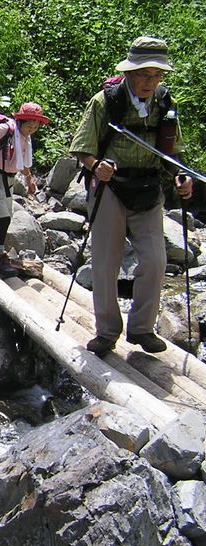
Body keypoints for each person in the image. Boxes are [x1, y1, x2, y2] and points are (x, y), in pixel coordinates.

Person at [69, 36, 193, 357]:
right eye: (143, 74)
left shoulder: (166, 105)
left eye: (156, 75)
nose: (150, 81)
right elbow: (81, 147)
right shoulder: (104, 101)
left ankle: (141, 329)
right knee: (106, 264)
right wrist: (96, 166)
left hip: (149, 188)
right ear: (129, 73)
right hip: (110, 188)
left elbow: (173, 156)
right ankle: (107, 332)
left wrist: (181, 177)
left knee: (155, 261)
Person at [0, 101, 49, 275]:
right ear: (21, 120)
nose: (33, 126)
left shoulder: (25, 137)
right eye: (29, 122)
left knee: (6, 214)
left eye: (36, 124)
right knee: (3, 218)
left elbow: (21, 161)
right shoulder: (7, 130)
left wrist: (29, 180)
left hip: (8, 180)